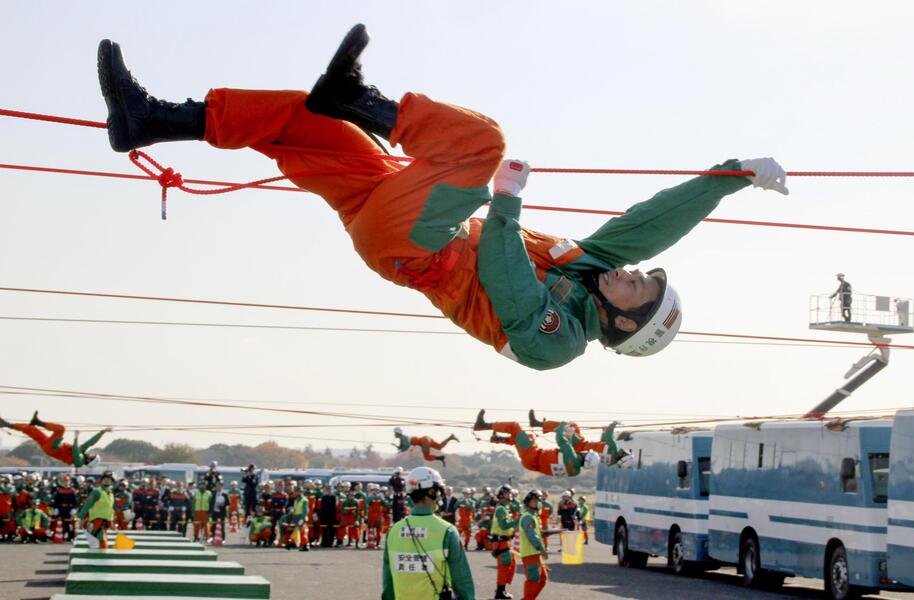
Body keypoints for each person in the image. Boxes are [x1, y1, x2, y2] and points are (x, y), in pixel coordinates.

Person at [96, 25, 789, 372]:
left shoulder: (564, 343)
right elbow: (651, 224)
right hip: (393, 215)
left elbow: (512, 290)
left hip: (412, 243)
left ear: (620, 324)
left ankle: (364, 101)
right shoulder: (589, 269)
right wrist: (733, 175)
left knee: (480, 147)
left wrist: (508, 202)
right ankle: (154, 120)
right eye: (642, 273)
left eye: (639, 290)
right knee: (311, 126)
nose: (635, 273)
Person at [382, 466, 474, 600]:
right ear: (431, 492)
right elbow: (462, 580)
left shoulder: (394, 530)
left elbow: (388, 583)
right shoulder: (447, 530)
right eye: (438, 491)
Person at [475, 410, 600, 478]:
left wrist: (562, 426)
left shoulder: (571, 454)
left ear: (585, 456)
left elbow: (560, 438)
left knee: (514, 427)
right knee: (529, 437)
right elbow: (568, 451)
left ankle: (483, 426)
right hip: (532, 463)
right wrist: (570, 435)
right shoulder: (575, 471)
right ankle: (497, 439)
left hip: (533, 455)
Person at [0, 412, 110, 468]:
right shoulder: (83, 453)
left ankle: (39, 422)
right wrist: (102, 432)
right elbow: (91, 442)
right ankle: (7, 425)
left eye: (92, 457)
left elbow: (76, 453)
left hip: (52, 448)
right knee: (31, 429)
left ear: (89, 461)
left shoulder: (80, 462)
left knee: (61, 430)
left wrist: (76, 438)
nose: (91, 454)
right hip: (50, 446)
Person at [490, 485, 519, 599]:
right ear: (501, 495)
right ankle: (499, 592)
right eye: (507, 493)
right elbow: (503, 525)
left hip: (506, 541)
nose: (510, 495)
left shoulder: (504, 509)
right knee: (504, 566)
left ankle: (502, 589)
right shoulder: (501, 509)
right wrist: (516, 521)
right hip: (501, 542)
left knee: (510, 566)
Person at [519, 490, 549, 600]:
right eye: (534, 500)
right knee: (532, 580)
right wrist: (542, 549)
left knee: (542, 579)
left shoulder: (534, 516)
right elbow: (531, 535)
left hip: (535, 553)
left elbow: (536, 533)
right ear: (528, 502)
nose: (537, 502)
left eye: (539, 500)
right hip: (530, 554)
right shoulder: (528, 517)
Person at [76, 471, 115, 549]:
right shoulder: (96, 492)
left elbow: (110, 509)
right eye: (105, 479)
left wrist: (111, 522)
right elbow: (87, 505)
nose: (107, 480)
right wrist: (81, 518)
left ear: (112, 482)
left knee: (102, 543)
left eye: (109, 479)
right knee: (101, 542)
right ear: (101, 480)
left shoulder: (110, 493)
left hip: (105, 523)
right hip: (97, 522)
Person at [393, 428, 458, 467]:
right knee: (439, 447)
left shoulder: (403, 438)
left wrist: (400, 451)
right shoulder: (402, 438)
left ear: (398, 433)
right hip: (427, 439)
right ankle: (450, 437)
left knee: (426, 456)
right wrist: (397, 447)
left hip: (424, 441)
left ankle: (441, 458)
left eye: (395, 433)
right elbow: (401, 446)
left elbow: (406, 446)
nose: (394, 434)